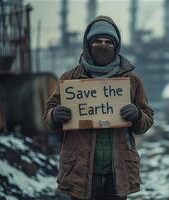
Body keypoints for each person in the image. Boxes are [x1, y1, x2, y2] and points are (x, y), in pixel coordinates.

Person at [43, 15, 154, 200]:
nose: (103, 46)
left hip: (117, 172)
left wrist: (137, 115)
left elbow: (147, 120)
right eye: (97, 41)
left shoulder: (131, 81)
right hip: (81, 170)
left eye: (108, 42)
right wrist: (55, 115)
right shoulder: (70, 79)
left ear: (116, 46)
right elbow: (47, 118)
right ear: (88, 45)